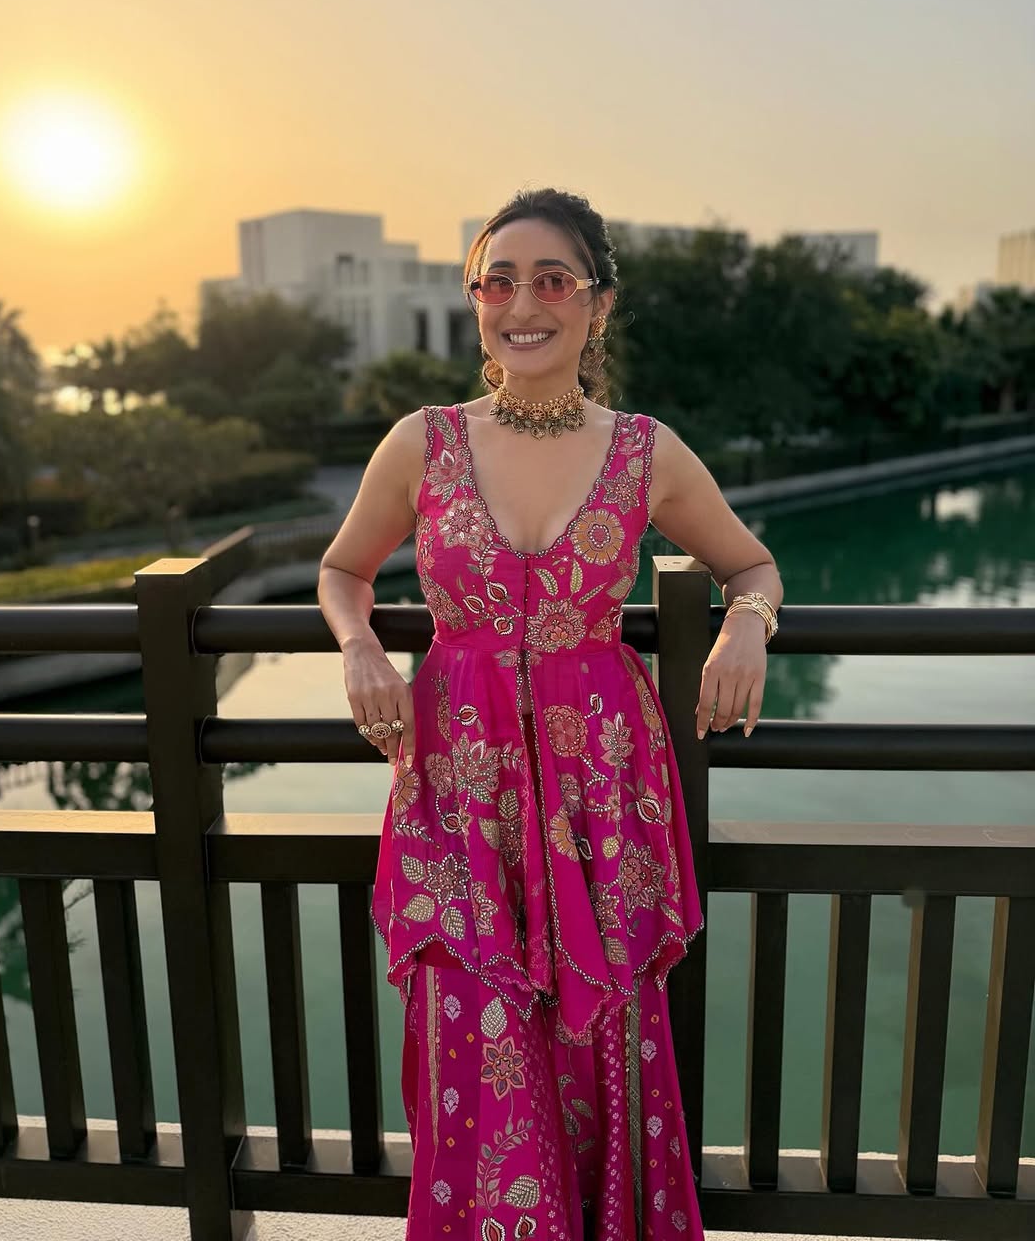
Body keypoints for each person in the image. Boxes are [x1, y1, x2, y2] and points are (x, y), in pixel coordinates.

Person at [317, 187, 783, 1240]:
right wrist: (360, 649)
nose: (523, 304)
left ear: (598, 304)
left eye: (552, 280)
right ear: (476, 300)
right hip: (460, 788)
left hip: (601, 792)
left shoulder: (646, 452)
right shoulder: (423, 443)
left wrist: (746, 628)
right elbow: (344, 571)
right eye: (499, 282)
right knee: (475, 1034)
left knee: (601, 1041)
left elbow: (751, 564)